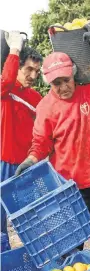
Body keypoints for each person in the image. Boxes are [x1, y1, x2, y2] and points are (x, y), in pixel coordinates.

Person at [15, 22, 90, 261]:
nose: (62, 87)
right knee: (71, 248)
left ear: (74, 74)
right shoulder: (45, 107)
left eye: (66, 80)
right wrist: (31, 159)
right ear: (49, 83)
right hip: (68, 188)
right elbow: (41, 143)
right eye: (55, 83)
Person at [1, 31, 42, 241]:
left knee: (31, 220)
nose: (33, 76)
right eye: (28, 69)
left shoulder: (35, 97)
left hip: (26, 166)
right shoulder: (5, 91)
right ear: (16, 66)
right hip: (3, 164)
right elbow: (5, 80)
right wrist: (15, 49)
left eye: (37, 71)